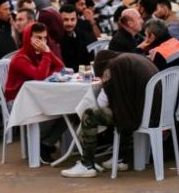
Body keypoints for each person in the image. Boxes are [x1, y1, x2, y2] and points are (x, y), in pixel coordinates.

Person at [60, 50, 158, 178]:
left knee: (90, 115)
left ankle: (87, 165)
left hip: (140, 115)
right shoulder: (132, 58)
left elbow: (102, 103)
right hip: (155, 112)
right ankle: (120, 159)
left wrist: (105, 84)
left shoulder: (115, 68)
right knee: (122, 107)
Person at [5, 23, 65, 162]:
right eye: (38, 38)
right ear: (28, 38)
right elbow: (39, 76)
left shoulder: (38, 54)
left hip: (36, 97)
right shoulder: (20, 58)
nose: (42, 42)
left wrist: (48, 53)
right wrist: (46, 54)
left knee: (68, 110)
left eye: (45, 38)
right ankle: (37, 142)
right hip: (18, 101)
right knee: (58, 110)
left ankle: (44, 143)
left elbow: (60, 67)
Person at [59, 4, 96, 71]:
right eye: (65, 20)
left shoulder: (82, 35)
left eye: (72, 19)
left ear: (77, 18)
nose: (69, 23)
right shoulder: (58, 38)